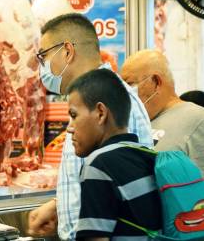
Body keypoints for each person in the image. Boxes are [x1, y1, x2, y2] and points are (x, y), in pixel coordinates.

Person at [28, 13, 153, 240]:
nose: (42, 67)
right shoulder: (89, 101)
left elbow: (126, 189)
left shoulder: (118, 102)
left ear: (67, 51)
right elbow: (105, 183)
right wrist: (58, 205)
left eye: (43, 57)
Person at [67, 68, 162, 240]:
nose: (69, 128)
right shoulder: (146, 155)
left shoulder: (99, 165)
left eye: (74, 115)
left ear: (101, 113)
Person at [121, 50, 204, 171]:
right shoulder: (137, 124)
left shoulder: (198, 119)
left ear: (156, 82)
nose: (126, 93)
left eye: (130, 85)